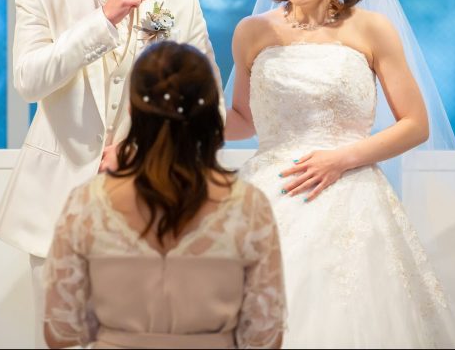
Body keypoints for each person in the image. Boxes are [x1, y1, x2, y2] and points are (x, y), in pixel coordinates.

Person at [0, 0, 224, 348]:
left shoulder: (181, 3)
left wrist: (142, 150)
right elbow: (28, 81)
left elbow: (208, 103)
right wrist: (103, 22)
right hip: (60, 203)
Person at [225, 0, 455, 348]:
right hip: (267, 194)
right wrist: (179, 120)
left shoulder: (371, 29)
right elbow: (242, 119)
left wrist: (340, 159)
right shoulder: (251, 32)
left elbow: (416, 123)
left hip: (350, 193)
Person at [42, 41, 286, 349]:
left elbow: (60, 331)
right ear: (212, 113)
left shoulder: (86, 204)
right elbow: (266, 336)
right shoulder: (249, 206)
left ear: (132, 110)